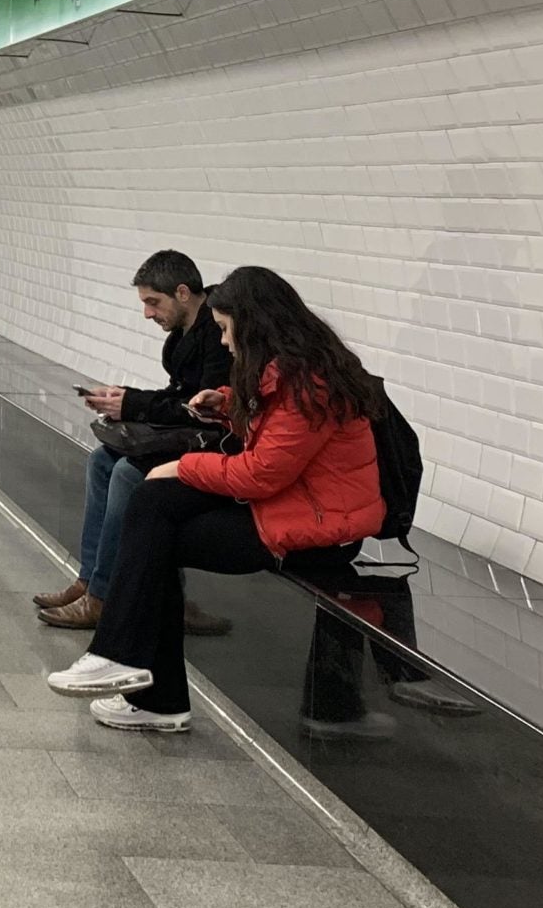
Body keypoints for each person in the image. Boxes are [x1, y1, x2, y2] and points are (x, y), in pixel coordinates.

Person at [47, 266, 388, 732]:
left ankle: (141, 679)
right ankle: (132, 672)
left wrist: (182, 466)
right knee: (153, 510)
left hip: (320, 527)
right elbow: (272, 434)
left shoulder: (312, 384)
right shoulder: (290, 371)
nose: (224, 343)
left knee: (155, 514)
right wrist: (226, 404)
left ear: (255, 326)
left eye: (227, 330)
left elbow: (261, 474)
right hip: (290, 506)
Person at [34, 250, 233, 634]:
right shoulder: (183, 335)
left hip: (216, 444)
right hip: (193, 436)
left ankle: (104, 597)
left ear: (183, 292)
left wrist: (133, 404)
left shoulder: (217, 333)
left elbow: (202, 406)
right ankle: (90, 579)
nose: (148, 313)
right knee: (101, 461)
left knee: (127, 472)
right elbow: (180, 396)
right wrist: (123, 397)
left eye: (153, 303)